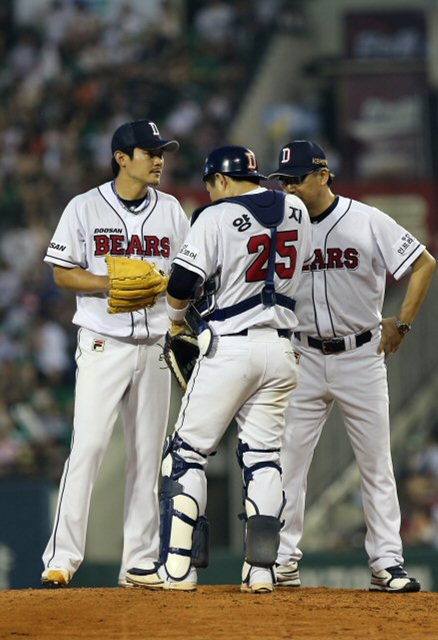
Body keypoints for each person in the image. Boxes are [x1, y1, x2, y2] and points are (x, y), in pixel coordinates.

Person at [125, 144, 313, 593]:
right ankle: (262, 571)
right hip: (282, 350)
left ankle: (177, 569)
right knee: (264, 457)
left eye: (210, 185)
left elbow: (182, 284)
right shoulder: (297, 209)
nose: (210, 193)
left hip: (230, 347)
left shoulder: (214, 216)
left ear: (221, 180)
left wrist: (174, 323)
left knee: (186, 453)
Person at [268, 140, 436, 593]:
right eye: (283, 181)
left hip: (360, 355)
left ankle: (386, 562)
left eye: (296, 179)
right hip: (302, 355)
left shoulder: (365, 219)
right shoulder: (279, 225)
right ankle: (283, 560)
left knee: (375, 463)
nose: (288, 188)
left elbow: (424, 264)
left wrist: (402, 323)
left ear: (323, 174)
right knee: (288, 462)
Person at [41, 119, 189, 587]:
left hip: (154, 348)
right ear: (122, 158)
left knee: (148, 457)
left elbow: (189, 272)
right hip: (104, 344)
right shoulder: (84, 207)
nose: (159, 159)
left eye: (161, 151)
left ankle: (139, 563)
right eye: (149, 152)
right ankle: (61, 558)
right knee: (87, 448)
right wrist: (110, 283)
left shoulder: (171, 210)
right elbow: (62, 273)